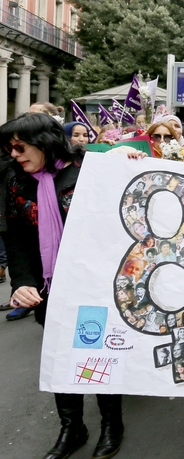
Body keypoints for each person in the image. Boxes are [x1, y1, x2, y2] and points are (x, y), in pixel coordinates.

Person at [0, 113, 125, 459]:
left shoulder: (89, 167)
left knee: (96, 351)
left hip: (94, 281)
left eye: (19, 147)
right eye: (10, 148)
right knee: (60, 355)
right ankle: (72, 428)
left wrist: (131, 155)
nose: (14, 154)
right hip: (48, 287)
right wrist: (22, 283)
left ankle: (111, 424)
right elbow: (16, 238)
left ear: (42, 142)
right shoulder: (14, 180)